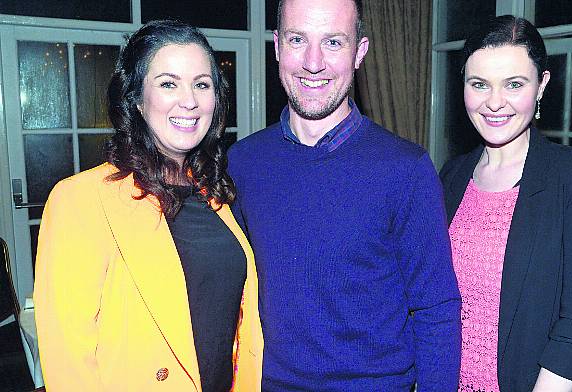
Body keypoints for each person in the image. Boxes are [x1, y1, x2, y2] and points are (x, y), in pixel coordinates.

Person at [226, 0, 461, 390]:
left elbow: (436, 309)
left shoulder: (406, 169)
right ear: (277, 46)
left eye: (333, 42)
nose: (313, 62)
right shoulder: (242, 163)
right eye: (298, 39)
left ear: (360, 52)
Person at [34, 20, 262, 392]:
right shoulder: (80, 201)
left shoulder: (219, 196)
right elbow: (68, 362)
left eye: (201, 84)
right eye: (168, 83)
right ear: (137, 99)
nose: (188, 100)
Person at [440, 15, 572, 392]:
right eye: (479, 85)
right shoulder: (451, 176)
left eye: (514, 84)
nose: (494, 103)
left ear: (542, 85)